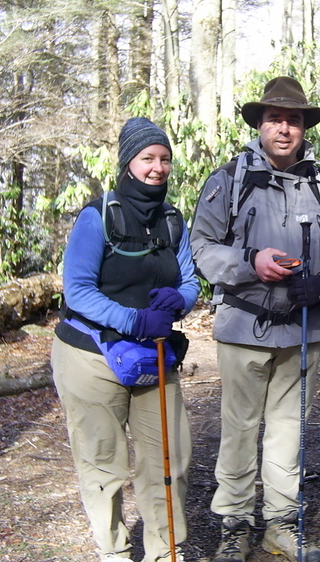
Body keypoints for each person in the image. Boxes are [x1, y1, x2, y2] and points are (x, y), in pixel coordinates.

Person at [190, 76, 320, 562]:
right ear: (260, 125)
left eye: (293, 119)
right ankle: (235, 526)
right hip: (243, 326)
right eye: (274, 119)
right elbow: (201, 246)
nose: (284, 128)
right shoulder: (229, 180)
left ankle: (281, 524)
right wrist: (250, 264)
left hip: (302, 328)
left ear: (304, 127)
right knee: (240, 428)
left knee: (289, 430)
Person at [51, 117, 200, 562]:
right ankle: (113, 552)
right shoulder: (99, 216)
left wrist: (181, 298)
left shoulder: (173, 221)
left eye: (164, 160)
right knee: (103, 463)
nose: (157, 168)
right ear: (127, 163)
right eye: (147, 159)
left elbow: (191, 280)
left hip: (152, 357)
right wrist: (135, 320)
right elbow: (77, 290)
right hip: (90, 356)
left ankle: (165, 552)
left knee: (170, 457)